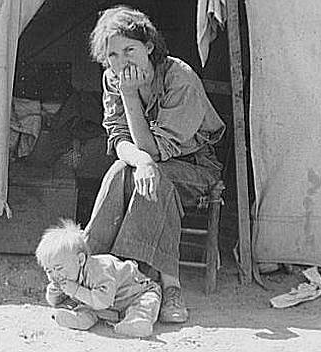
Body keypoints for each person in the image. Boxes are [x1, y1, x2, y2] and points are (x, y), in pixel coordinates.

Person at [85, 5, 226, 323]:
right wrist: (143, 162)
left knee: (156, 176)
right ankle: (91, 266)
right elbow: (120, 139)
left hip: (195, 165)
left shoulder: (180, 78)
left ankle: (135, 281)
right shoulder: (113, 79)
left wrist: (131, 97)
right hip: (150, 166)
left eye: (129, 50)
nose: (121, 63)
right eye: (113, 56)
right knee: (123, 170)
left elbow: (155, 149)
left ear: (148, 46)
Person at [35, 219, 162, 338]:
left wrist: (76, 290)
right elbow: (55, 302)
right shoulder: (70, 276)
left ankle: (136, 322)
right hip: (100, 305)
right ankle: (78, 319)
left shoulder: (100, 269)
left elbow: (104, 300)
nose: (54, 275)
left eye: (58, 268)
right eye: (49, 270)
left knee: (145, 304)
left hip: (136, 294)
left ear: (80, 260)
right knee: (85, 307)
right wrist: (54, 291)